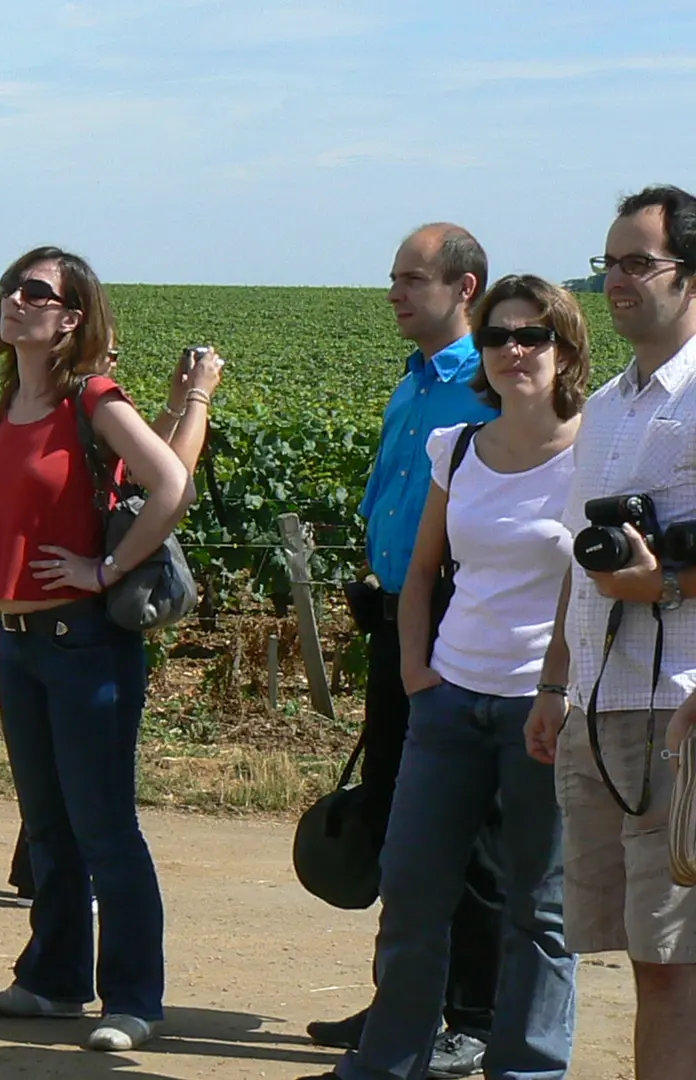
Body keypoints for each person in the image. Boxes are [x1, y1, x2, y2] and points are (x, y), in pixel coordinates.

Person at [307, 275, 587, 1080]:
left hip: (540, 707)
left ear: (566, 348)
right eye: (497, 336)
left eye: (533, 336)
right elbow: (424, 568)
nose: (512, 351)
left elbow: (585, 587)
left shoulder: (591, 452)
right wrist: (414, 668)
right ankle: (386, 1063)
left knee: (538, 907)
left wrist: (556, 690)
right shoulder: (459, 445)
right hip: (449, 700)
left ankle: (527, 1068)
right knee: (413, 894)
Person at [0, 245, 195, 1053]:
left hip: (85, 643)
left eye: (37, 292)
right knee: (47, 826)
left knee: (104, 826)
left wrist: (108, 568)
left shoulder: (89, 396)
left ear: (70, 317)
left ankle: (133, 998)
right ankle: (54, 980)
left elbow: (171, 482)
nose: (16, 299)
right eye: (11, 286)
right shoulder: (11, 402)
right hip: (20, 644)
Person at [314, 224, 505, 1078]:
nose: (394, 292)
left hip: (462, 626)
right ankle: (405, 1002)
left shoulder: (489, 383)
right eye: (392, 277)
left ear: (465, 289)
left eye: (411, 279)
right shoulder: (414, 383)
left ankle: (475, 1014)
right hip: (399, 618)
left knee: (474, 830)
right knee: (403, 815)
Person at [526, 185, 696, 1080]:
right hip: (601, 705)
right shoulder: (607, 407)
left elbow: (645, 573)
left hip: (678, 710)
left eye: (639, 262)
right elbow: (576, 565)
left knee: (675, 969)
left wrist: (663, 579)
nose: (617, 281)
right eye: (609, 263)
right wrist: (557, 684)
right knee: (647, 960)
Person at [7, 344, 226, 904]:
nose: (113, 358)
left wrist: (178, 403)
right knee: (78, 797)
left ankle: (53, 900)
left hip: (61, 632)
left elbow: (141, 471)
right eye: (106, 350)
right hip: (75, 628)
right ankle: (59, 894)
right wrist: (198, 396)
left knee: (64, 794)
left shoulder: (79, 413)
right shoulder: (76, 410)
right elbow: (167, 474)